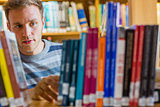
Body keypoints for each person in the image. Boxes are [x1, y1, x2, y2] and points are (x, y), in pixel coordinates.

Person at [3, 0, 62, 102]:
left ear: (43, 23)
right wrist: (32, 93)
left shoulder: (67, 53)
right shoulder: (4, 63)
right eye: (18, 26)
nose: (26, 33)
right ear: (9, 28)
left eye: (33, 23)